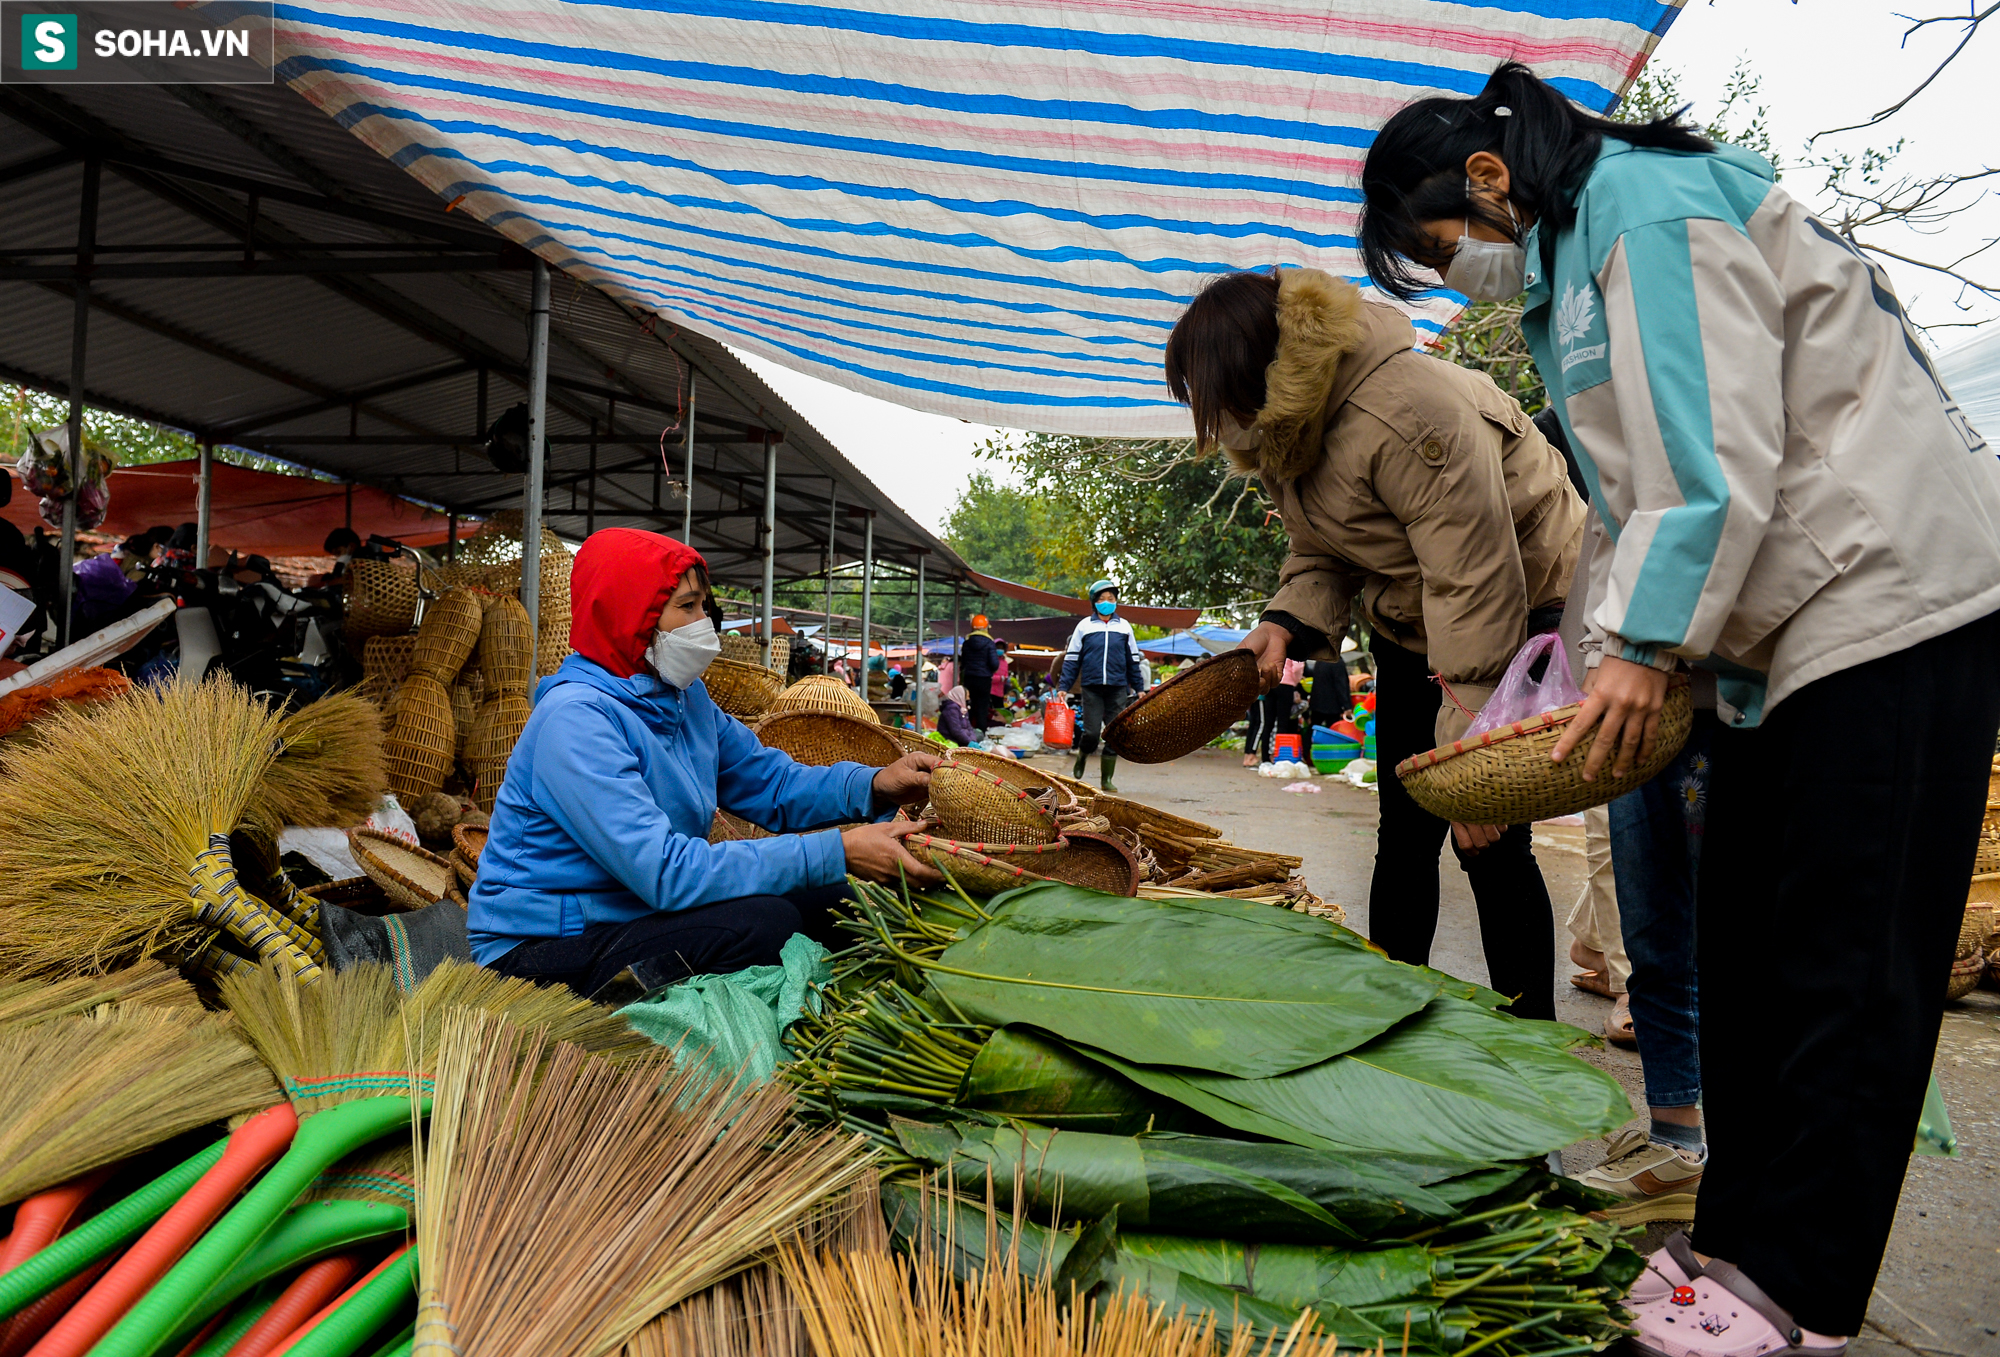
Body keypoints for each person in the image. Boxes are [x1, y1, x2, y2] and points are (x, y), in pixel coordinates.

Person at [1359, 61, 2000, 1353]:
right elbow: (1630, 493)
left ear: (1487, 179)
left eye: (1440, 250)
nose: (1452, 279)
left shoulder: (1646, 208)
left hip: (1886, 598)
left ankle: (1795, 1288)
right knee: (1745, 954)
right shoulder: (1579, 260)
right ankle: (1733, 1236)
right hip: (1784, 632)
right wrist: (1610, 650)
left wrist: (1644, 644)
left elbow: (1712, 455)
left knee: (1844, 967)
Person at [1167, 265, 1584, 1020]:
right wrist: (1282, 622)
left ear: (1258, 370)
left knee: (1489, 839)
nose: (1214, 420)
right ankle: (1394, 1023)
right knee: (1405, 831)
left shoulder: (1407, 411)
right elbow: (1322, 549)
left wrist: (1473, 758)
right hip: (1414, 621)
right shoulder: (1289, 427)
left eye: (1214, 398)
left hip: (1520, 610)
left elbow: (1476, 580)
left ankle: (1532, 1063)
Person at [469, 528, 943, 998]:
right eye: (687, 606)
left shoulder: (683, 698)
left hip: (633, 915)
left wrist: (875, 785)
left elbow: (771, 783)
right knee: (764, 924)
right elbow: (666, 873)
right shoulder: (575, 720)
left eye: (704, 607)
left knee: (837, 901)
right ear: (632, 614)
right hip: (540, 950)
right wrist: (836, 851)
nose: (704, 623)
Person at [1056, 581, 1146, 792]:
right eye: (1102, 599)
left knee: (1115, 733)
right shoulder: (1084, 626)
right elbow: (1071, 659)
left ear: (1116, 601)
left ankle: (1107, 779)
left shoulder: (1124, 627)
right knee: (1092, 733)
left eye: (1111, 599)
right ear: (1094, 602)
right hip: (1092, 687)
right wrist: (1064, 686)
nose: (1107, 603)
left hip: (1117, 687)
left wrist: (1139, 687)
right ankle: (1083, 755)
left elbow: (1133, 660)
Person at [959, 616, 1002, 733]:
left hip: (969, 678)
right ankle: (980, 733)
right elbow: (994, 664)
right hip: (984, 679)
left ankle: (967, 731)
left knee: (969, 705)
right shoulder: (989, 643)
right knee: (982, 707)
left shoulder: (967, 643)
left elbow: (963, 662)